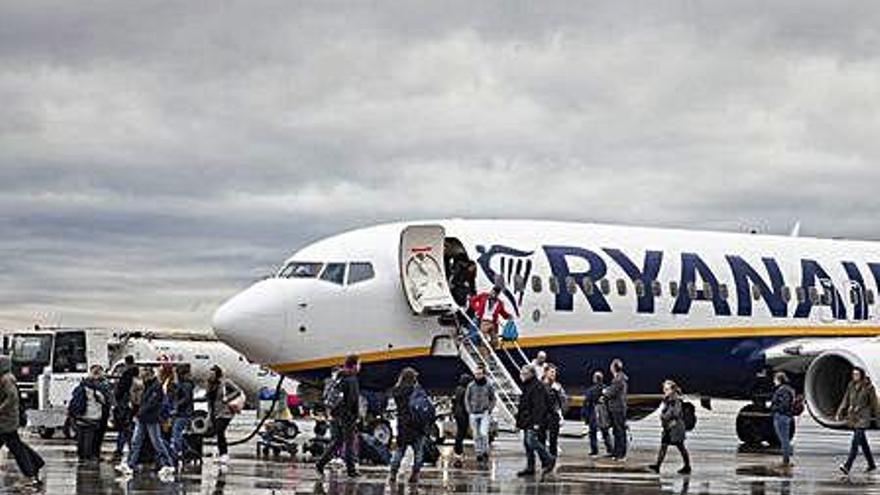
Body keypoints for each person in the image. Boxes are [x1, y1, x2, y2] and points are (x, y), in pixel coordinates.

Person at [115, 367, 175, 479]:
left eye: (143, 373)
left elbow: (151, 403)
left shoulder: (155, 387)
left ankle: (168, 464)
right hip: (144, 418)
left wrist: (139, 413)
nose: (141, 376)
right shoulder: (149, 386)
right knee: (136, 441)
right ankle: (130, 465)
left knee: (156, 442)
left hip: (150, 418)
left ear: (149, 374)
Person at [315, 354, 361, 479]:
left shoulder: (339, 377)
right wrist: (354, 416)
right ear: (354, 365)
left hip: (336, 415)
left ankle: (320, 463)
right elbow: (352, 400)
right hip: (347, 417)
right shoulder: (351, 379)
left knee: (337, 442)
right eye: (359, 364)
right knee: (349, 443)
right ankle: (351, 471)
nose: (360, 367)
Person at [0, 355, 43, 486]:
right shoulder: (6, 378)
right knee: (16, 445)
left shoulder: (7, 379)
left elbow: (12, 398)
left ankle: (30, 473)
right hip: (6, 420)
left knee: (16, 447)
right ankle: (36, 463)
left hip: (6, 420)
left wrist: (0, 409)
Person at [388, 367, 429, 484]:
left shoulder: (397, 391)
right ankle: (415, 475)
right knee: (418, 452)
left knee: (399, 451)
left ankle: (393, 473)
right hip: (417, 425)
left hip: (403, 424)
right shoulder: (416, 390)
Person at [837, 367, 879, 475]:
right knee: (863, 443)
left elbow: (875, 404)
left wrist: (878, 419)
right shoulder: (851, 386)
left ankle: (847, 466)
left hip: (863, 418)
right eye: (853, 374)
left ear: (861, 375)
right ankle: (871, 464)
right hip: (853, 418)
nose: (854, 376)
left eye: (857, 374)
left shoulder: (869, 387)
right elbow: (846, 400)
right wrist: (840, 411)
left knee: (855, 443)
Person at [515, 365, 555, 478]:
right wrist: (518, 423)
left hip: (533, 420)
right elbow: (522, 406)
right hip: (526, 420)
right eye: (521, 373)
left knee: (531, 441)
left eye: (524, 373)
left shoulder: (537, 386)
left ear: (531, 374)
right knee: (527, 444)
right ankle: (530, 467)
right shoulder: (527, 386)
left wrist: (536, 423)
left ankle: (549, 458)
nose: (521, 375)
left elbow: (539, 407)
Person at [648, 380, 691, 474]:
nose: (664, 390)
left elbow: (675, 413)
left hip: (674, 427)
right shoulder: (668, 400)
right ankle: (658, 465)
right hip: (669, 427)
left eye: (666, 389)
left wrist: (665, 416)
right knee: (664, 446)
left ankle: (687, 466)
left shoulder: (675, 400)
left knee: (680, 446)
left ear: (672, 390)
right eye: (664, 388)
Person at [206, 365, 244, 466]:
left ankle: (224, 454)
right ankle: (221, 454)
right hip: (214, 412)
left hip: (225, 412)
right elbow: (209, 401)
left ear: (217, 374)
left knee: (220, 431)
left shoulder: (225, 382)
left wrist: (227, 398)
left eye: (212, 373)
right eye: (210, 373)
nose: (210, 375)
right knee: (218, 433)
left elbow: (238, 391)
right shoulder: (209, 384)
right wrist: (209, 415)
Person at [72, 364, 108, 462]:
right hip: (93, 416)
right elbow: (104, 401)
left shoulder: (82, 385)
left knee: (81, 437)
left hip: (80, 415)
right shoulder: (99, 387)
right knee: (91, 438)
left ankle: (82, 456)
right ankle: (89, 456)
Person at [465, 365, 496, 466]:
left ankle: (485, 451)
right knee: (475, 434)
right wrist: (469, 410)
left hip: (484, 413)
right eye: (476, 374)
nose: (477, 375)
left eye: (479, 374)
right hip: (473, 413)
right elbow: (467, 398)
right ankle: (478, 453)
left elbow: (493, 398)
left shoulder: (488, 385)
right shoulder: (471, 385)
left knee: (483, 433)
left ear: (483, 374)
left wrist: (490, 409)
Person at [469, 285, 511, 350]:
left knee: (495, 341)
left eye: (495, 294)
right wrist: (477, 308)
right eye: (493, 292)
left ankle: (490, 351)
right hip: (483, 321)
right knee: (483, 339)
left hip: (493, 323)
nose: (493, 294)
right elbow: (472, 300)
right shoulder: (484, 296)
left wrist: (508, 316)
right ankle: (483, 351)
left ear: (497, 294)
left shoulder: (499, 303)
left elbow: (503, 313)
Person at [582, 370, 613, 457]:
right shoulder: (606, 388)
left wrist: (584, 416)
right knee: (605, 432)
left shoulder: (590, 391)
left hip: (594, 413)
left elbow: (586, 403)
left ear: (594, 379)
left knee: (592, 433)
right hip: (604, 413)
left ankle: (594, 450)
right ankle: (610, 449)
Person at [113, 356, 138, 460]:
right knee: (131, 429)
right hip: (135, 405)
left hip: (126, 405)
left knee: (124, 429)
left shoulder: (127, 375)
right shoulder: (137, 375)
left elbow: (120, 390)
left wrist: (117, 400)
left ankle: (120, 450)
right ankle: (133, 449)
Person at [603, 358, 629, 461]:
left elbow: (610, 393)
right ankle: (616, 452)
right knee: (617, 431)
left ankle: (621, 454)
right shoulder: (620, 378)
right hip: (617, 407)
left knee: (619, 431)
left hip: (617, 408)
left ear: (613, 368)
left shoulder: (618, 380)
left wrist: (605, 391)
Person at [770, 371, 796, 468]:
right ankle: (786, 458)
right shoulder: (788, 389)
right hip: (785, 416)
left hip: (782, 416)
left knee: (784, 439)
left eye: (775, 379)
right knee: (784, 439)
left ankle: (786, 460)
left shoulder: (783, 390)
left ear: (779, 379)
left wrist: (775, 409)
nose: (774, 381)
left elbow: (784, 404)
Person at [171, 364, 195, 466]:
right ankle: (187, 450)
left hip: (183, 413)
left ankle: (178, 451)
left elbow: (185, 398)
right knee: (178, 432)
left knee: (176, 432)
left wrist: (176, 406)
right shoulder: (186, 384)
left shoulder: (185, 385)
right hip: (185, 412)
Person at [543, 364, 567, 458]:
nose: (554, 374)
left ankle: (552, 461)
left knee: (553, 440)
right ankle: (544, 460)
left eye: (555, 372)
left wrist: (561, 413)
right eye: (552, 372)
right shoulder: (540, 385)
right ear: (546, 372)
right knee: (541, 439)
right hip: (542, 416)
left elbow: (564, 401)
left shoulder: (557, 386)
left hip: (553, 416)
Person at [452, 373, 472, 467]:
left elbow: (454, 402)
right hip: (463, 414)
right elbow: (466, 403)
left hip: (457, 413)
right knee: (461, 434)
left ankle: (458, 451)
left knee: (459, 433)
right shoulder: (465, 390)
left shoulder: (457, 389)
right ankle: (458, 451)